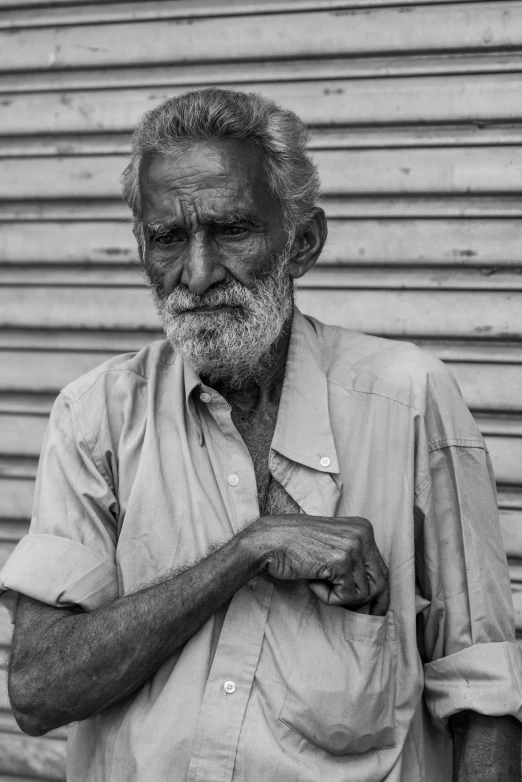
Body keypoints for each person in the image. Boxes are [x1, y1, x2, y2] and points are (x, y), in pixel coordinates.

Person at [0, 88, 520, 782]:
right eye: (168, 238)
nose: (199, 273)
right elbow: (38, 691)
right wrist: (247, 552)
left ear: (302, 242)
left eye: (233, 230)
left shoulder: (409, 401)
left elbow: (485, 697)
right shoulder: (95, 415)